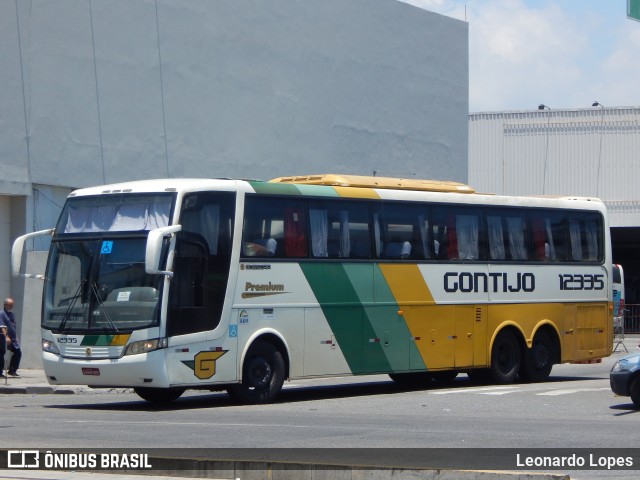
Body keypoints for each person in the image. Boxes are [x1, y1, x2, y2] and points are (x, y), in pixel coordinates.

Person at [0, 298, 21, 377]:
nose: (12, 306)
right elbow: (2, 327)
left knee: (18, 352)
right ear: (5, 305)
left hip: (13, 338)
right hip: (3, 338)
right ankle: (0, 373)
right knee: (1, 353)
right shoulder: (1, 314)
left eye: (12, 305)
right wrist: (6, 337)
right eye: (10, 305)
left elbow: (13, 326)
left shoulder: (12, 314)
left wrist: (15, 336)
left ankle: (12, 370)